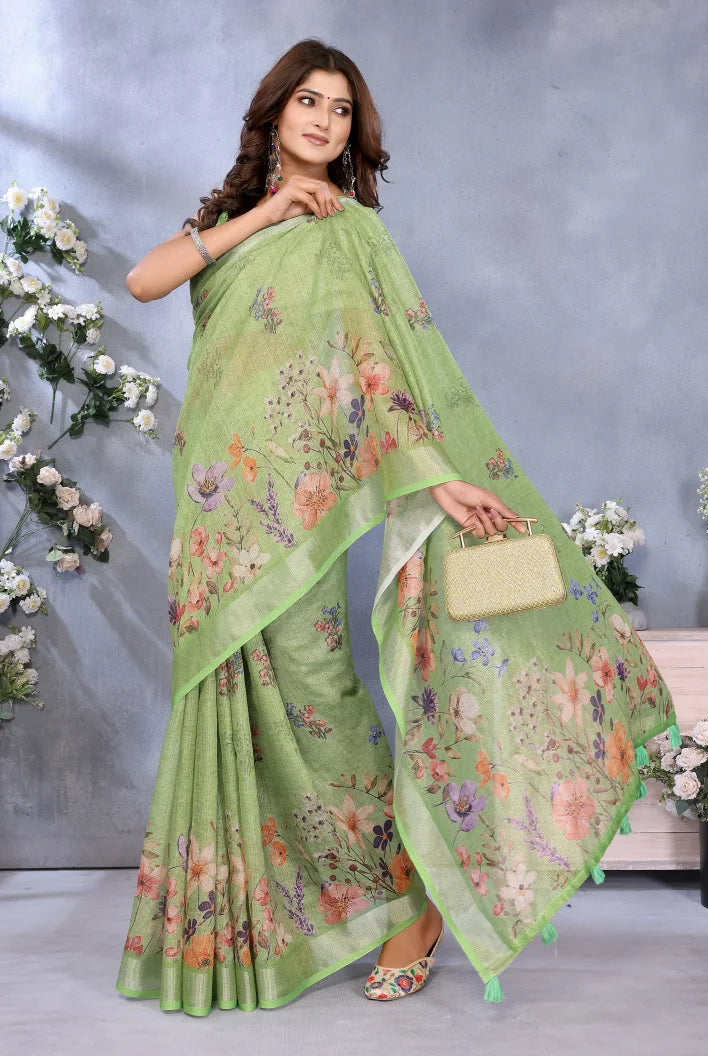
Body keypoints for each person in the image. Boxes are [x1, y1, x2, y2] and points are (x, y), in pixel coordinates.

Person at [116, 38, 678, 1015]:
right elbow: (145, 281)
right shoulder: (229, 219)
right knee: (236, 715)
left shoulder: (356, 235)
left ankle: (413, 905)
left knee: (323, 699)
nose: (324, 120)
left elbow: (386, 384)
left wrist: (444, 483)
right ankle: (249, 925)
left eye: (340, 108)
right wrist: (264, 213)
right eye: (308, 101)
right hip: (213, 517)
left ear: (353, 133)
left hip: (300, 514)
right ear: (274, 114)